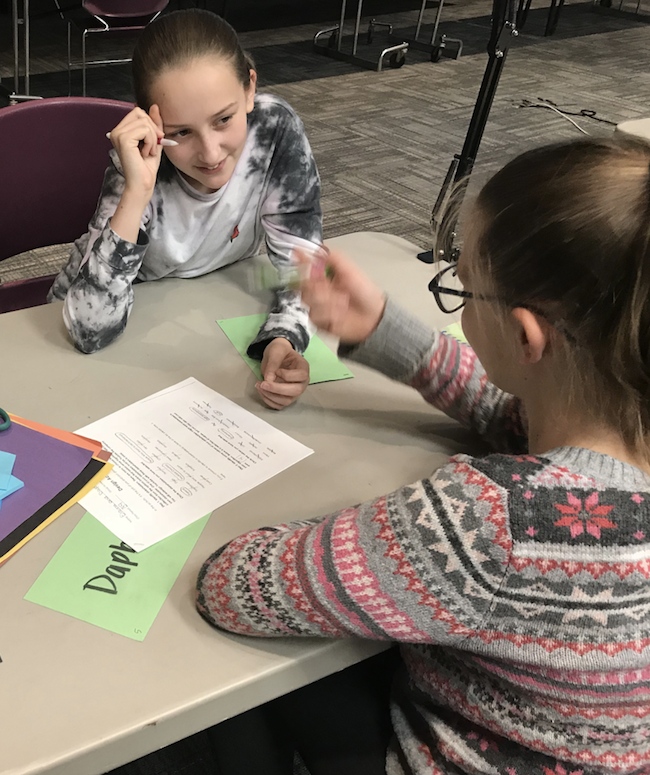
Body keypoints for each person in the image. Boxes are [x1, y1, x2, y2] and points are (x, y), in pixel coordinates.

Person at [196, 135, 650, 774]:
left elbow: (234, 585)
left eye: (462, 289)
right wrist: (385, 330)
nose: (457, 302)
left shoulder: (488, 525)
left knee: (248, 678)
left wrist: (377, 532)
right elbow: (517, 414)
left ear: (527, 335)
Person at [48, 9, 322, 410]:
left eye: (224, 120)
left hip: (204, 303)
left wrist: (284, 336)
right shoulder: (137, 164)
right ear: (150, 123)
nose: (211, 153)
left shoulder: (273, 129)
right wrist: (137, 189)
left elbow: (303, 263)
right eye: (180, 133)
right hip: (91, 328)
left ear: (250, 88)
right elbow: (89, 329)